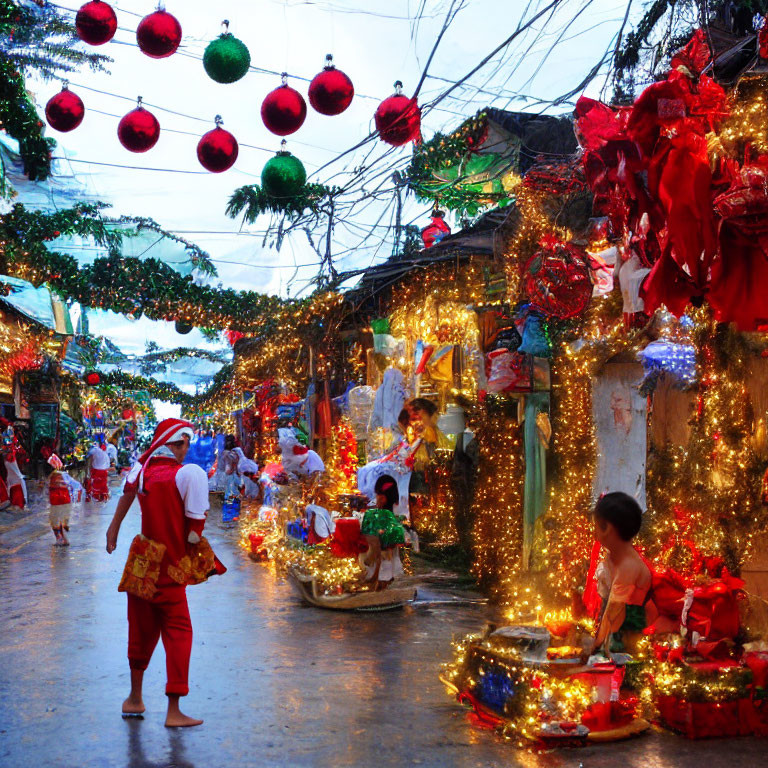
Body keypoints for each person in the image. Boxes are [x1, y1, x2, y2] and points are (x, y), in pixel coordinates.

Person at [105, 418, 213, 728]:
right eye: (182, 444)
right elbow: (195, 521)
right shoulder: (184, 476)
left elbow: (126, 496)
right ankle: (174, 710)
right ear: (173, 444)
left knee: (139, 630)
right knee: (179, 632)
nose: (186, 450)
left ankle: (134, 698)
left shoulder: (143, 472)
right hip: (169, 568)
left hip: (141, 563)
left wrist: (114, 529)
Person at [585, 492, 654, 657]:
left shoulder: (628, 565)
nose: (594, 532)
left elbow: (615, 610)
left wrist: (595, 646)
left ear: (608, 528)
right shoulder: (614, 558)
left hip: (630, 643)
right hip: (615, 635)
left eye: (596, 526)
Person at [360, 474, 406, 589]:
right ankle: (384, 581)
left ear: (383, 497)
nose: (377, 498)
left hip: (383, 542)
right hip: (390, 541)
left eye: (379, 495)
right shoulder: (397, 508)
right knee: (388, 558)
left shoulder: (381, 513)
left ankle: (380, 581)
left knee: (383, 557)